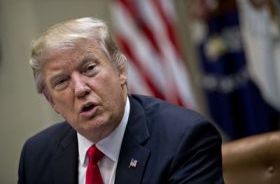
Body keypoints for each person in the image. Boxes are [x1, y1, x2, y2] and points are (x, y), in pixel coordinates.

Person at [18, 17, 224, 184]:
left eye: (89, 69)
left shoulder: (185, 139)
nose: (80, 89)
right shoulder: (36, 156)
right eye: (62, 81)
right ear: (50, 100)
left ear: (121, 70)